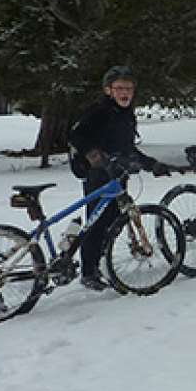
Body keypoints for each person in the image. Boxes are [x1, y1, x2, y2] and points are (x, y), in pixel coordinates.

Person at [69, 65, 173, 291]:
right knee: (97, 222)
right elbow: (76, 134)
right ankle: (89, 272)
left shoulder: (125, 115)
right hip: (97, 173)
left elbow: (128, 149)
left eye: (129, 88)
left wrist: (152, 164)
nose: (125, 93)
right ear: (108, 90)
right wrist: (95, 155)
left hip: (117, 173)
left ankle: (101, 265)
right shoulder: (99, 111)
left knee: (113, 220)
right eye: (119, 88)